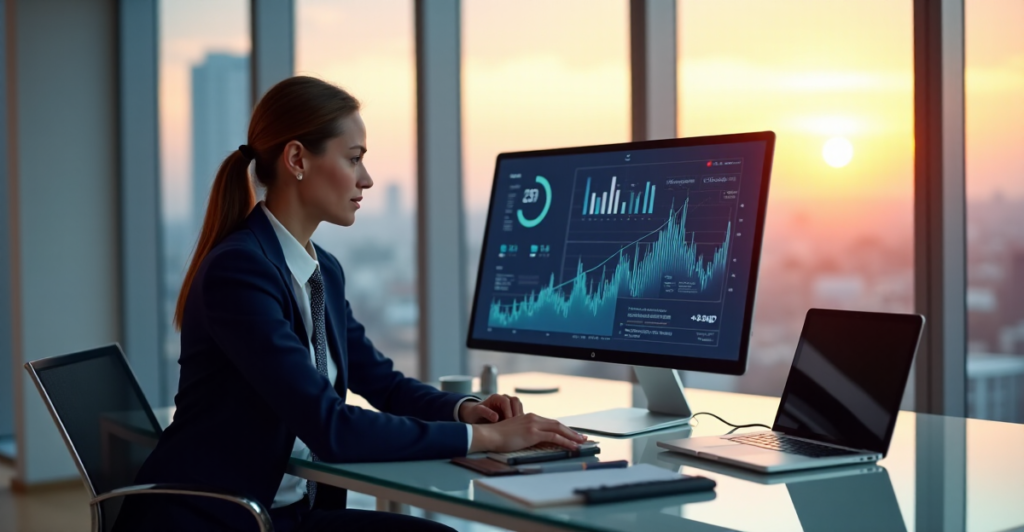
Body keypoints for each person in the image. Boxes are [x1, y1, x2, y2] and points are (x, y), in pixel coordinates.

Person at [113, 76, 587, 532]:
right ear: (297, 159)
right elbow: (331, 428)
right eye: (354, 158)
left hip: (283, 513)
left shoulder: (322, 270)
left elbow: (383, 384)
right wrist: (488, 439)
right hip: (219, 518)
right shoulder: (239, 272)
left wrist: (466, 411)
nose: (368, 179)